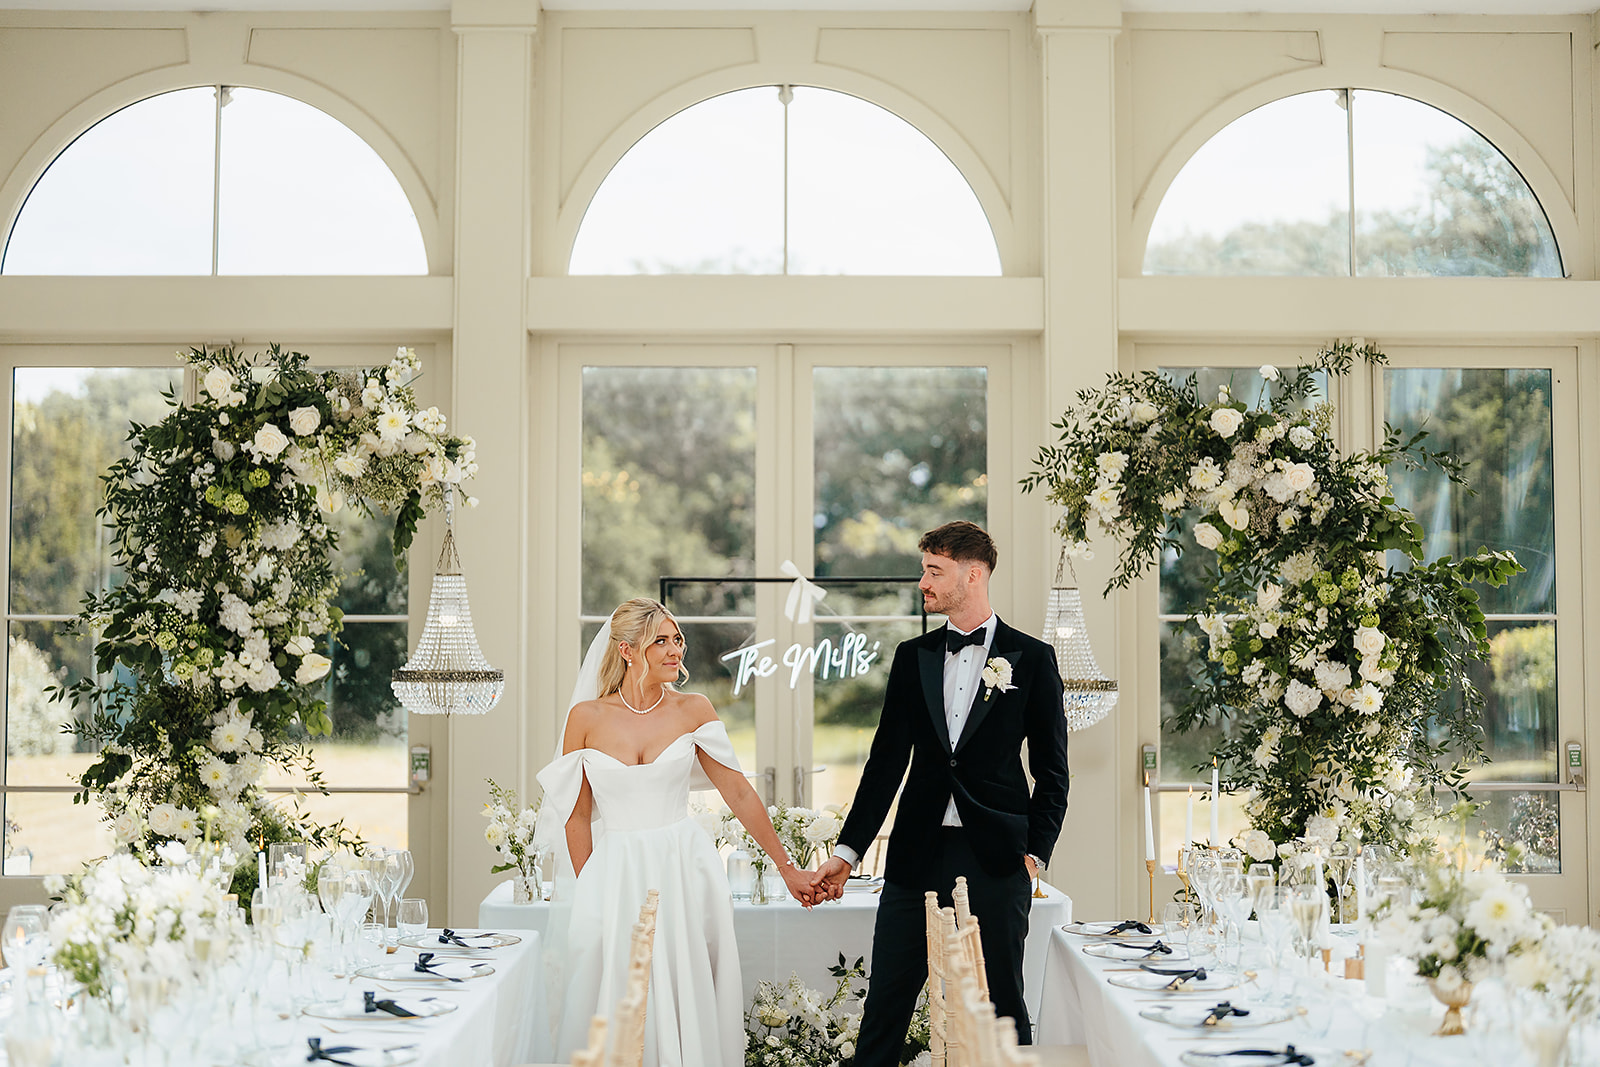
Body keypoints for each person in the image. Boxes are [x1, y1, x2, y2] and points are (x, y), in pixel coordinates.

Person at [813, 521, 1069, 1061]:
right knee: (886, 1004)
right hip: (916, 854)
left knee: (1002, 1006)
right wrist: (846, 852)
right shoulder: (914, 657)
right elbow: (885, 764)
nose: (923, 582)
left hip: (997, 857)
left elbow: (1052, 773)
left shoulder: (1033, 658)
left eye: (935, 571)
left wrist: (1034, 855)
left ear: (973, 575)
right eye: (924, 569)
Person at [535, 597, 820, 1067]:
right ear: (627, 650)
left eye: (678, 639)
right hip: (615, 872)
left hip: (683, 869)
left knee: (684, 983)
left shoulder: (694, 709)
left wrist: (787, 867)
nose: (675, 651)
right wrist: (589, 888)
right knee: (615, 986)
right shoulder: (586, 718)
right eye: (661, 641)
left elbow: (740, 794)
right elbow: (577, 815)